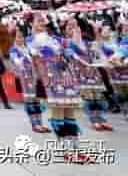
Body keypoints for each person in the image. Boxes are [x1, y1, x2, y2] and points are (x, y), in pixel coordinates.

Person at [27, 12, 86, 163]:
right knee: (59, 112)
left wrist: (75, 33)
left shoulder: (55, 38)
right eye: (37, 20)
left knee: (70, 112)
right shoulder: (31, 40)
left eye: (42, 20)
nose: (40, 22)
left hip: (66, 76)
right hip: (51, 78)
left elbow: (78, 50)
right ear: (31, 24)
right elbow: (35, 58)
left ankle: (75, 149)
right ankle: (66, 149)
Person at [62, 18, 112, 131]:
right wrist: (75, 39)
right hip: (80, 74)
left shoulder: (87, 42)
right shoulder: (64, 42)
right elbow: (70, 53)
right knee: (88, 97)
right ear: (65, 29)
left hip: (93, 73)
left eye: (75, 26)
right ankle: (94, 120)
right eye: (69, 26)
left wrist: (96, 30)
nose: (73, 28)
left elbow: (99, 47)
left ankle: (101, 119)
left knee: (98, 97)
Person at [9, 24, 50, 133]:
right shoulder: (13, 49)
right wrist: (22, 59)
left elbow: (38, 59)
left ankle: (40, 123)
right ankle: (34, 124)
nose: (20, 39)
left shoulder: (29, 48)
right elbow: (15, 61)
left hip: (34, 77)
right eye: (18, 37)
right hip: (24, 78)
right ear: (14, 38)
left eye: (22, 37)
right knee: (29, 100)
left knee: (36, 100)